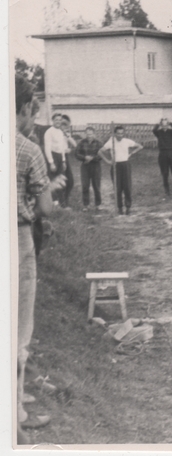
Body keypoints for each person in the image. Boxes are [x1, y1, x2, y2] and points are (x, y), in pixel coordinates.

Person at [15, 75, 66, 441]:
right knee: (18, 327)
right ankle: (15, 411)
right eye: (31, 112)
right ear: (20, 109)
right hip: (15, 239)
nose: (33, 120)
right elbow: (45, 208)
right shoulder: (25, 148)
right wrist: (49, 190)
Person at [98, 126, 143, 215]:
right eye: (118, 133)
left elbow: (140, 146)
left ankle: (128, 207)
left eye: (121, 133)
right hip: (115, 166)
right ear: (115, 134)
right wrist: (108, 161)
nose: (120, 135)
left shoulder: (127, 141)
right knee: (117, 188)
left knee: (127, 187)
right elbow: (100, 151)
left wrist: (131, 153)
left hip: (125, 165)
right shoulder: (111, 142)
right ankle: (119, 208)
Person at [75, 126, 103, 211]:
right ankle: (86, 205)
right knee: (85, 186)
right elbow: (76, 154)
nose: (89, 136)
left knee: (96, 186)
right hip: (85, 166)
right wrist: (84, 157)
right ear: (85, 134)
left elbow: (101, 155)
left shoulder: (99, 143)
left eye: (91, 134)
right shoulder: (81, 142)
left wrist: (92, 158)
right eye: (87, 134)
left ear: (94, 134)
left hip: (96, 166)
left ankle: (98, 205)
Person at [43, 113, 68, 206]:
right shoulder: (49, 132)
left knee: (61, 179)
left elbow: (62, 148)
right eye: (56, 120)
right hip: (52, 157)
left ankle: (62, 202)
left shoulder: (61, 132)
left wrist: (64, 160)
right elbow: (47, 148)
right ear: (53, 121)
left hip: (60, 157)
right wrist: (51, 162)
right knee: (52, 179)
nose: (58, 121)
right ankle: (54, 203)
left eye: (60, 120)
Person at [152, 117, 172, 196]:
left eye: (166, 124)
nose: (164, 126)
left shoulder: (171, 132)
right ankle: (167, 190)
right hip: (162, 153)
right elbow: (154, 130)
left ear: (168, 125)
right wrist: (159, 124)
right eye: (163, 124)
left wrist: (170, 123)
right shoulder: (159, 132)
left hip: (171, 152)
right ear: (161, 125)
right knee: (165, 172)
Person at [59, 114, 77, 208]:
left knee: (70, 181)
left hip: (65, 157)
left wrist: (68, 137)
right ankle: (62, 204)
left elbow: (75, 144)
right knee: (61, 181)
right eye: (63, 124)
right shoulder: (55, 133)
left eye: (66, 125)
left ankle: (65, 200)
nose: (64, 126)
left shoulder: (66, 134)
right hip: (57, 158)